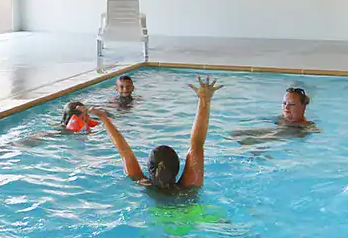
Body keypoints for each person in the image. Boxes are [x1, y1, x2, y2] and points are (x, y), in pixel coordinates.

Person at [90, 78, 219, 195]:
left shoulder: (140, 183)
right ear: (177, 168)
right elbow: (197, 145)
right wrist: (204, 101)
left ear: (149, 167)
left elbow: (124, 151)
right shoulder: (190, 187)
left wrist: (103, 118)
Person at [233, 86, 316, 145]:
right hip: (273, 134)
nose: (286, 107)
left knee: (251, 141)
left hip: (283, 139)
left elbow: (314, 131)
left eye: (292, 104)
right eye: (284, 103)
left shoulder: (305, 126)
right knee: (236, 133)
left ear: (303, 107)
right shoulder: (281, 119)